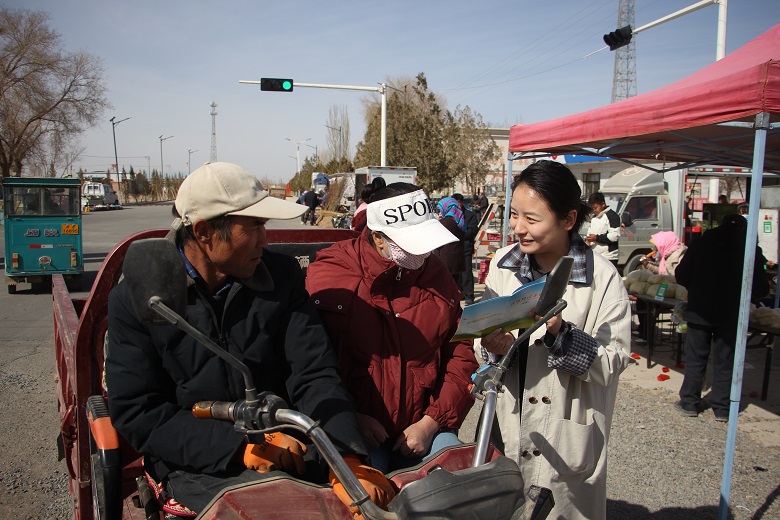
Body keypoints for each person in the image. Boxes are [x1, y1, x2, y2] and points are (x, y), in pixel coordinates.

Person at [105, 162, 393, 515]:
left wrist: (345, 456)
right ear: (204, 232)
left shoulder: (281, 278)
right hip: (197, 462)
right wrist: (237, 446)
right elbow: (139, 411)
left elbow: (314, 372)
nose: (265, 240)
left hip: (289, 444)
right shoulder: (141, 300)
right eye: (254, 226)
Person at [475, 160, 632, 520]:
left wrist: (562, 333)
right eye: (514, 215)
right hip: (509, 423)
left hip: (565, 435)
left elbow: (614, 361)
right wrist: (492, 346)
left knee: (559, 508)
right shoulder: (503, 265)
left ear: (568, 219)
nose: (518, 227)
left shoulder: (602, 278)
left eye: (531, 219)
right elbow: (483, 343)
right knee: (506, 505)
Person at [306, 183, 478, 473]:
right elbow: (309, 365)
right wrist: (349, 416)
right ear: (378, 237)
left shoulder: (437, 275)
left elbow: (460, 354)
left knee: (458, 472)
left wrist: (431, 422)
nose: (423, 252)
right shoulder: (332, 273)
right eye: (411, 243)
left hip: (423, 429)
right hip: (355, 430)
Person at [675, 214, 769, 422]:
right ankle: (722, 407)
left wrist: (697, 288)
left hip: (700, 310)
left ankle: (689, 402)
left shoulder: (701, 243)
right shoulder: (749, 249)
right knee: (725, 360)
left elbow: (681, 275)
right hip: (731, 313)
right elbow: (761, 288)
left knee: (696, 358)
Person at [635, 231, 688, 340]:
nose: (655, 248)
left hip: (673, 293)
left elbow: (672, 277)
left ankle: (647, 335)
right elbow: (660, 273)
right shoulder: (666, 254)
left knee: (648, 305)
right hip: (664, 288)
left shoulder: (678, 258)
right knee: (641, 301)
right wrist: (648, 265)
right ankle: (643, 330)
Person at [432, 196, 466, 282]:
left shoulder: (445, 223)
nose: (440, 211)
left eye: (440, 209)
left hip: (445, 261)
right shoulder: (460, 219)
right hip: (457, 261)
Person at [453, 193, 479, 305]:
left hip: (465, 248)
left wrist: (460, 233)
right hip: (453, 249)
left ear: (461, 202)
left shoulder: (469, 215)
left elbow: (473, 231)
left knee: (466, 273)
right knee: (454, 273)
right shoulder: (450, 216)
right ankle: (458, 293)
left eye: (458, 203)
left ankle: (469, 296)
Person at [585, 192, 621, 268]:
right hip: (595, 255)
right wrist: (588, 240)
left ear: (603, 204)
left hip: (608, 257)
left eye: (595, 208)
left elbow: (615, 236)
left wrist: (596, 238)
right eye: (592, 209)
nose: (594, 210)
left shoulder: (612, 216)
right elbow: (590, 232)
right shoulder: (594, 218)